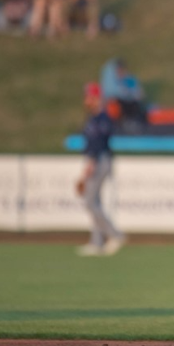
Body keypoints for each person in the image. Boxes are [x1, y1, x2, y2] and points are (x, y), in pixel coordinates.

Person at [75, 82, 126, 257]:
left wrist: (91, 164)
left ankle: (115, 235)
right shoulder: (94, 117)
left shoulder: (103, 118)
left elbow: (99, 144)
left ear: (96, 98)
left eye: (89, 96)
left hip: (99, 160)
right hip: (95, 160)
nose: (86, 99)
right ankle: (96, 242)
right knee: (94, 202)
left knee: (90, 202)